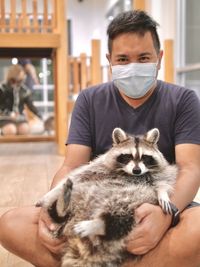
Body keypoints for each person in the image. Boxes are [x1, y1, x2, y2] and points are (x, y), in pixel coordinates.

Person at [0, 10, 200, 267]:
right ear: (110, 61)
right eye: (123, 59)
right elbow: (71, 166)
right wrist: (52, 215)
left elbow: (191, 167)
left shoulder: (182, 100)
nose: (133, 66)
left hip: (153, 206)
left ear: (159, 59)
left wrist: (165, 215)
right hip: (95, 207)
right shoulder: (90, 99)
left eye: (143, 58)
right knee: (11, 224)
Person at [0, 64, 42, 135]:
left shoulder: (24, 90)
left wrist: (40, 116)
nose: (24, 76)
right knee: (11, 130)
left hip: (20, 118)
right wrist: (9, 114)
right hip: (5, 118)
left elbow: (31, 105)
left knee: (24, 129)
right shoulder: (2, 88)